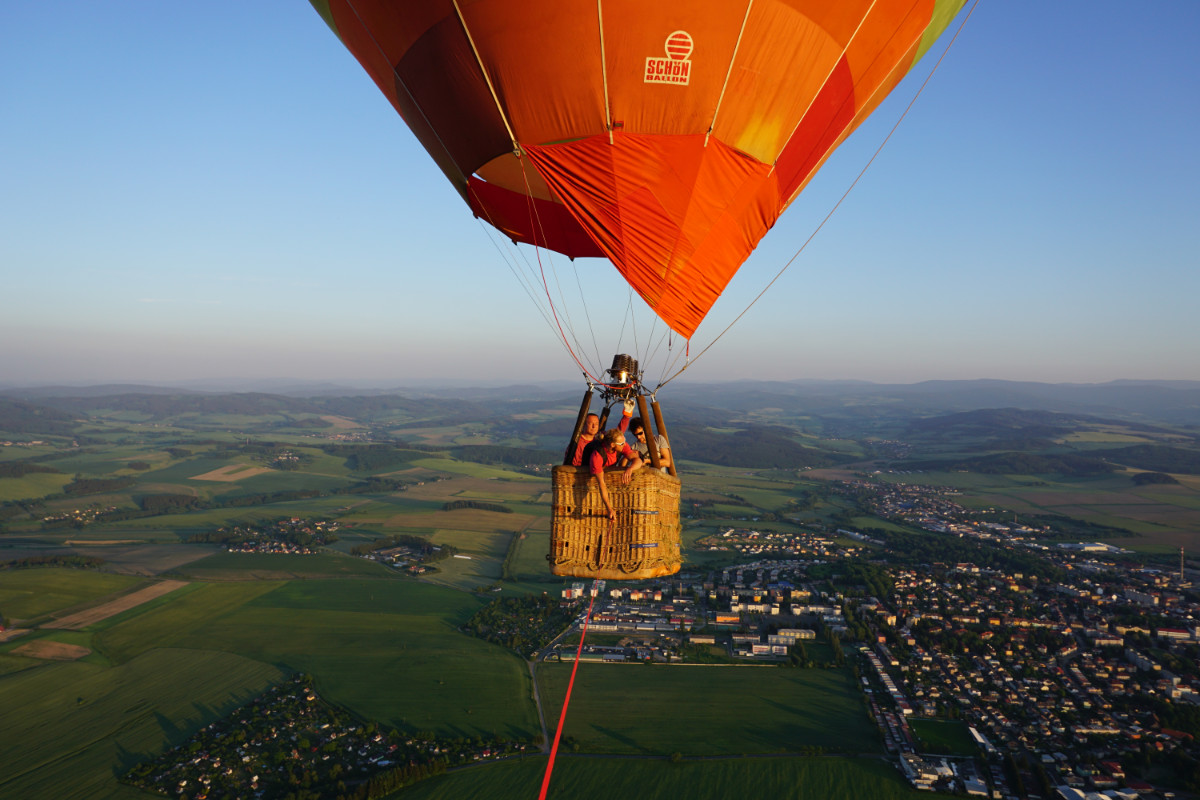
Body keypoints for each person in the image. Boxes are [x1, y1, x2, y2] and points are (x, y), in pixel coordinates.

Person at [584, 428, 643, 521]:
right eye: (621, 444)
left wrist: (630, 469)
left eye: (625, 441)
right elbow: (601, 484)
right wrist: (609, 508)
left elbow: (638, 460)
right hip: (594, 474)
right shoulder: (597, 456)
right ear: (612, 445)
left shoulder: (622, 445)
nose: (625, 445)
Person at [567, 399, 633, 467]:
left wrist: (627, 416)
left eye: (596, 423)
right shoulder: (578, 444)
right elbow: (574, 465)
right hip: (587, 473)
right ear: (584, 425)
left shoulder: (602, 435)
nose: (594, 426)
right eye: (590, 423)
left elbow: (617, 435)